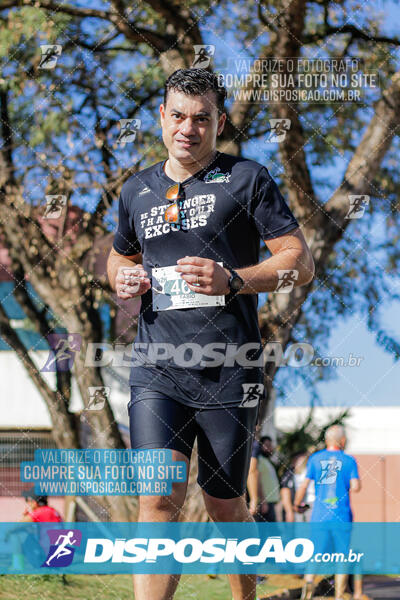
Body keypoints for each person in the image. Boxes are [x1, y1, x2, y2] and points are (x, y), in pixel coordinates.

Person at [107, 68, 314, 600]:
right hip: (156, 367)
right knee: (158, 496)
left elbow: (300, 264)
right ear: (162, 117)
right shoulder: (138, 190)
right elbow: (118, 256)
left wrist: (235, 279)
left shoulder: (248, 178)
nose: (188, 128)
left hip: (229, 368)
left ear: (219, 122)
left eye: (202, 118)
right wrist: (121, 277)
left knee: (225, 502)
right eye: (178, 115)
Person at [294, 425, 362, 600]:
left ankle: (307, 592)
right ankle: (339, 596)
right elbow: (356, 487)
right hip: (342, 516)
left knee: (315, 554)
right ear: (343, 441)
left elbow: (304, 484)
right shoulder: (349, 460)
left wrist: (297, 503)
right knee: (342, 557)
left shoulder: (315, 459)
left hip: (319, 515)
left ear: (326, 440)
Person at [248, 436, 280, 522]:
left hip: (269, 502)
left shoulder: (266, 460)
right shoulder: (257, 459)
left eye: (270, 445)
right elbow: (255, 478)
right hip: (263, 503)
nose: (269, 447)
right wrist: (263, 500)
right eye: (266, 445)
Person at [280, 452, 315, 522]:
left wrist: (296, 504)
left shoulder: (307, 471)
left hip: (308, 504)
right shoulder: (291, 472)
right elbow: (285, 489)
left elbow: (303, 488)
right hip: (301, 506)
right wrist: (290, 511)